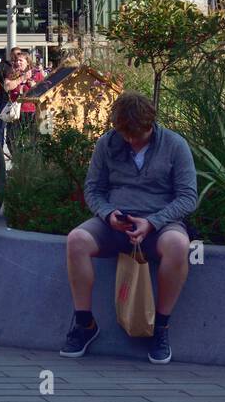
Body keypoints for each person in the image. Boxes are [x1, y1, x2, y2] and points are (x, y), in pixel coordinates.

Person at [60, 93, 199, 365]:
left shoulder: (174, 145)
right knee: (76, 240)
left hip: (160, 222)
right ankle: (84, 324)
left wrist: (153, 222)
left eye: (139, 135)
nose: (132, 141)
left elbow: (188, 197)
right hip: (115, 221)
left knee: (179, 246)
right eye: (126, 135)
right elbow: (93, 189)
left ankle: (161, 328)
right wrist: (108, 213)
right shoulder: (107, 143)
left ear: (151, 123)